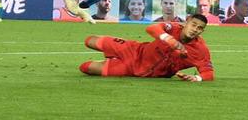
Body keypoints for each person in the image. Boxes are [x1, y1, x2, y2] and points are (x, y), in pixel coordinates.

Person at [78, 14, 214, 82]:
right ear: (186, 22)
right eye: (193, 25)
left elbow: (208, 73)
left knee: (85, 67)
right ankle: (114, 56)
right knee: (89, 40)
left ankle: (113, 62)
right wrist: (168, 39)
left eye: (199, 28)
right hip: (134, 50)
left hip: (137, 70)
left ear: (202, 31)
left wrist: (197, 78)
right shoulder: (173, 28)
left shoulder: (201, 50)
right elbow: (151, 28)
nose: (195, 29)